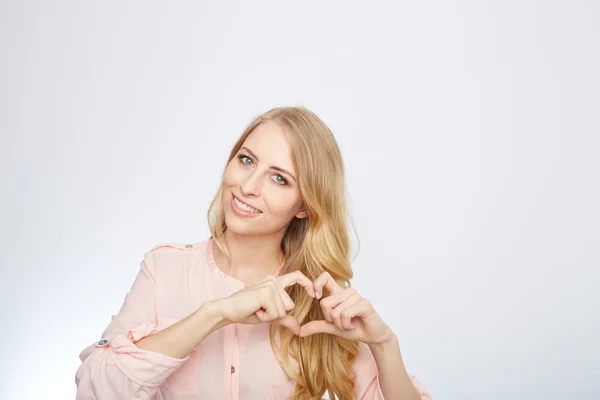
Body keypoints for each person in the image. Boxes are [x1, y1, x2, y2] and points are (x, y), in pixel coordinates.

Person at [75, 107, 432, 400]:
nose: (247, 186)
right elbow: (94, 390)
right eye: (246, 160)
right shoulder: (164, 268)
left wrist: (385, 345)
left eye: (279, 179)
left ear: (305, 206)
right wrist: (214, 314)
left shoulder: (319, 303)